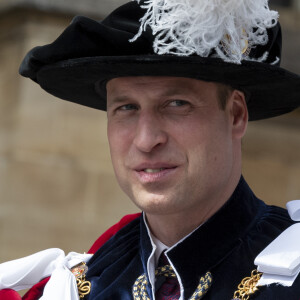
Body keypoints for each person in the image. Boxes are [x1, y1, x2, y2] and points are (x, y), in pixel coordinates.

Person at [0, 0, 300, 299]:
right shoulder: (75, 288)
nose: (146, 140)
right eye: (126, 107)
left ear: (236, 115)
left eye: (176, 104)